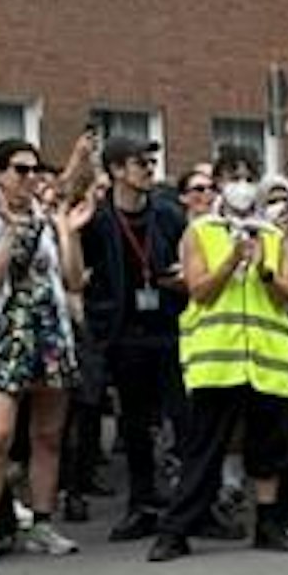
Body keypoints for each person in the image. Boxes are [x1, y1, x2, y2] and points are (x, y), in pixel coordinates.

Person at [146, 161, 288, 561]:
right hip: (218, 360)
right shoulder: (199, 231)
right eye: (233, 181)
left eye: (248, 180)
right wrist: (232, 260)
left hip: (268, 361)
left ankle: (268, 523)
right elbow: (198, 290)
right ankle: (176, 530)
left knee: (269, 447)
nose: (242, 189)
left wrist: (265, 269)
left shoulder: (274, 235)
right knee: (204, 448)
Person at [0, 138, 89, 571]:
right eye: (19, 169)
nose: (29, 178)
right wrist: (11, 233)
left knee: (48, 436)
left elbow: (72, 280)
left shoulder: (48, 219)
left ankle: (43, 523)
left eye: (34, 170)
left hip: (49, 329)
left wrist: (66, 231)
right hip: (4, 333)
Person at [78, 134, 189, 542]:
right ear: (117, 170)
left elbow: (192, 266)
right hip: (124, 336)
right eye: (141, 163)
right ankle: (141, 504)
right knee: (136, 425)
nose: (149, 170)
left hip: (169, 329)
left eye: (151, 163)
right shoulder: (99, 220)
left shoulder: (168, 214)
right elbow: (78, 275)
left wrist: (181, 280)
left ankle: (194, 504)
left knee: (184, 418)